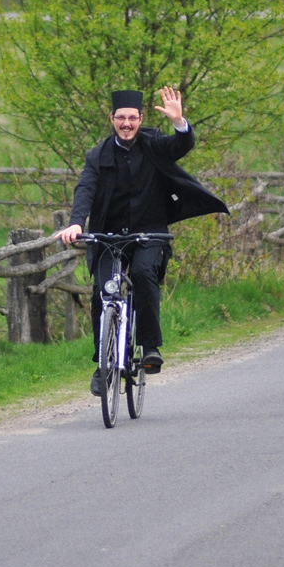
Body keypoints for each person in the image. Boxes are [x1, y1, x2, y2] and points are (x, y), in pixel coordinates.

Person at [55, 87, 227, 395]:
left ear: (140, 119)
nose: (126, 123)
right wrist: (77, 222)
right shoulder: (98, 155)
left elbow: (180, 145)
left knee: (144, 274)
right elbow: (85, 188)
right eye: (120, 118)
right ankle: (102, 365)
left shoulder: (153, 145)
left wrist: (179, 122)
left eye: (132, 118)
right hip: (108, 235)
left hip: (150, 233)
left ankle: (150, 347)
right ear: (111, 119)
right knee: (101, 293)